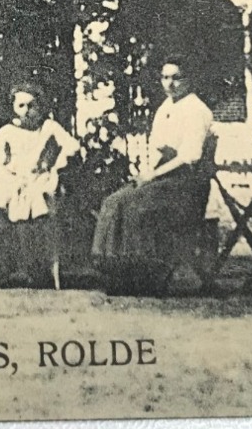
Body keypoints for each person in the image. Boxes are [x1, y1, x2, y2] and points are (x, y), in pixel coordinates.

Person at [91, 59, 216, 276]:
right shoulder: (166, 107)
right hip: (163, 178)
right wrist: (145, 173)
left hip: (186, 185)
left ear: (189, 80)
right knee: (113, 200)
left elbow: (189, 157)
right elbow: (157, 148)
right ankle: (115, 269)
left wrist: (154, 174)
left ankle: (144, 273)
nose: (170, 84)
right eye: (165, 78)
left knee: (133, 206)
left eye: (177, 78)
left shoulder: (197, 110)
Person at [0, 83, 80, 287]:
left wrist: (56, 164)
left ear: (40, 107)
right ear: (14, 107)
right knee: (15, 198)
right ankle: (14, 267)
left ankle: (36, 268)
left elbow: (73, 147)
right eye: (22, 106)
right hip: (9, 181)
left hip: (38, 180)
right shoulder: (6, 132)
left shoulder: (48, 128)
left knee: (36, 196)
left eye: (32, 105)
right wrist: (14, 179)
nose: (27, 111)